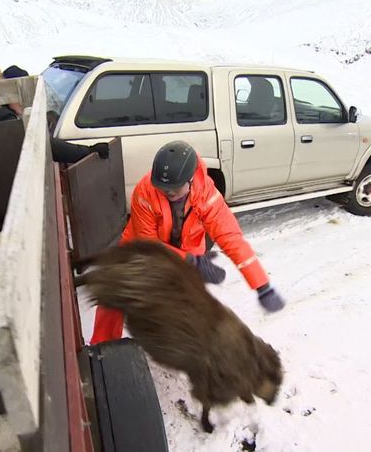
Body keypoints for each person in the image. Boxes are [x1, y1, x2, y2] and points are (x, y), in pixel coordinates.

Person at [90, 140, 285, 344]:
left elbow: (231, 238)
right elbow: (149, 246)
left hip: (188, 252)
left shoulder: (207, 197)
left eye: (174, 189)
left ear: (191, 180)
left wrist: (262, 286)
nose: (168, 193)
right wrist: (191, 261)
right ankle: (102, 345)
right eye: (163, 188)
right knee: (113, 292)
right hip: (141, 249)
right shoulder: (145, 191)